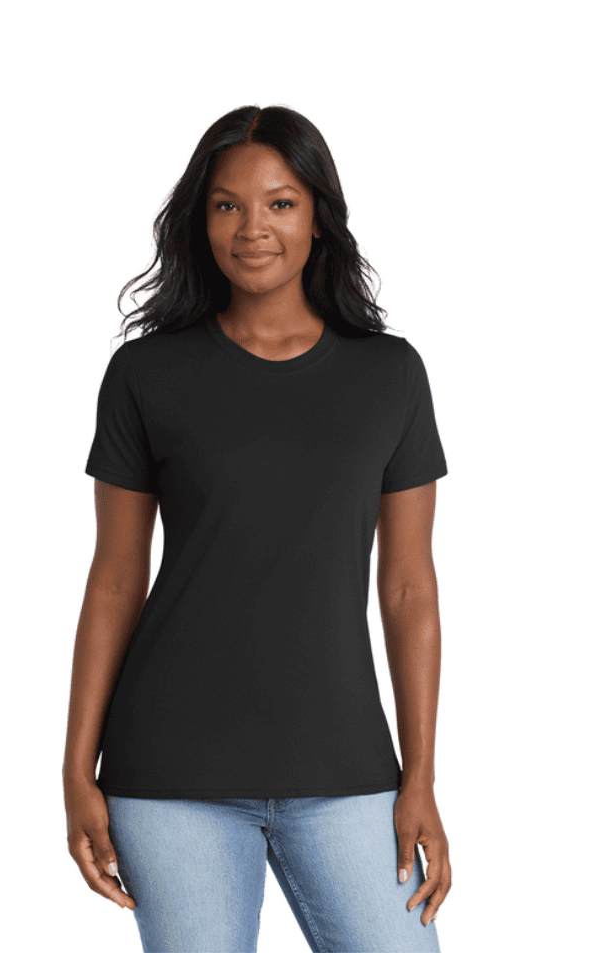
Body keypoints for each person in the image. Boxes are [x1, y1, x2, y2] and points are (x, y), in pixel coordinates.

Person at [63, 104, 452, 952]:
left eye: (280, 203)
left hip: (345, 767)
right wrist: (75, 768)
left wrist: (419, 777)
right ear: (200, 220)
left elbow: (408, 588)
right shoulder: (145, 374)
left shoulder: (390, 375)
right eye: (226, 205)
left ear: (318, 216)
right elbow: (117, 579)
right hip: (171, 773)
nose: (252, 229)